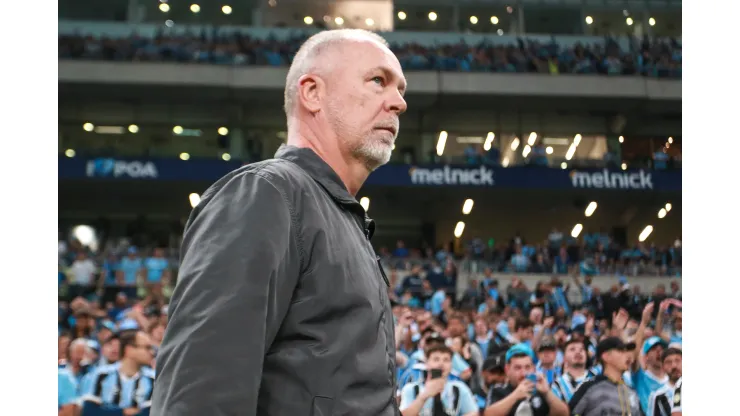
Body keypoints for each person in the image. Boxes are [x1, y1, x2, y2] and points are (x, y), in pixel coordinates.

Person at [151, 28, 408, 416]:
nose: (399, 103)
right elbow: (201, 390)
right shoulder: (267, 193)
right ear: (312, 93)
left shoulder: (338, 215)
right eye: (378, 81)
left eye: (401, 89)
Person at [81, 330, 155, 413]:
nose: (152, 352)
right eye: (147, 348)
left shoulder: (153, 379)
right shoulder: (101, 375)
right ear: (129, 350)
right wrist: (124, 412)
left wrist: (109, 411)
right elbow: (89, 411)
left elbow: (151, 413)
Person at [483, 344, 569, 416]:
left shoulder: (541, 389)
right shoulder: (498, 390)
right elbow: (488, 414)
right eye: (518, 368)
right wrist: (516, 395)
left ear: (534, 369)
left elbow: (564, 413)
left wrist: (547, 393)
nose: (523, 373)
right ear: (507, 370)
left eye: (527, 367)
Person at [568, 337, 641, 416]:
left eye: (626, 352)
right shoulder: (590, 388)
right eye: (621, 351)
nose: (627, 355)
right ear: (606, 356)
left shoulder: (631, 392)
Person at [399, 344, 479, 416]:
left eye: (446, 360)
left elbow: (473, 412)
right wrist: (424, 396)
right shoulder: (411, 388)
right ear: (426, 363)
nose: (441, 364)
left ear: (451, 364)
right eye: (436, 359)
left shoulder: (459, 388)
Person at [550, 338, 588, 403]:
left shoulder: (596, 380)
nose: (578, 352)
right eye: (572, 349)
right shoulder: (557, 386)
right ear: (564, 357)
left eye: (582, 349)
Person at [647, 348, 682, 416]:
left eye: (677, 361)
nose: (674, 366)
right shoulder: (658, 396)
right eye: (668, 362)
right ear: (662, 367)